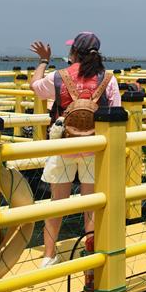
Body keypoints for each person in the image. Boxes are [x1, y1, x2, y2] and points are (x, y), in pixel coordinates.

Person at [29, 32, 120, 267]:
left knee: (57, 203)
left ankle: (49, 255)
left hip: (64, 144)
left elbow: (35, 87)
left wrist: (43, 61)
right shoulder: (108, 79)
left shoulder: (59, 77)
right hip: (94, 146)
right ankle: (91, 251)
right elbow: (116, 113)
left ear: (74, 52)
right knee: (92, 204)